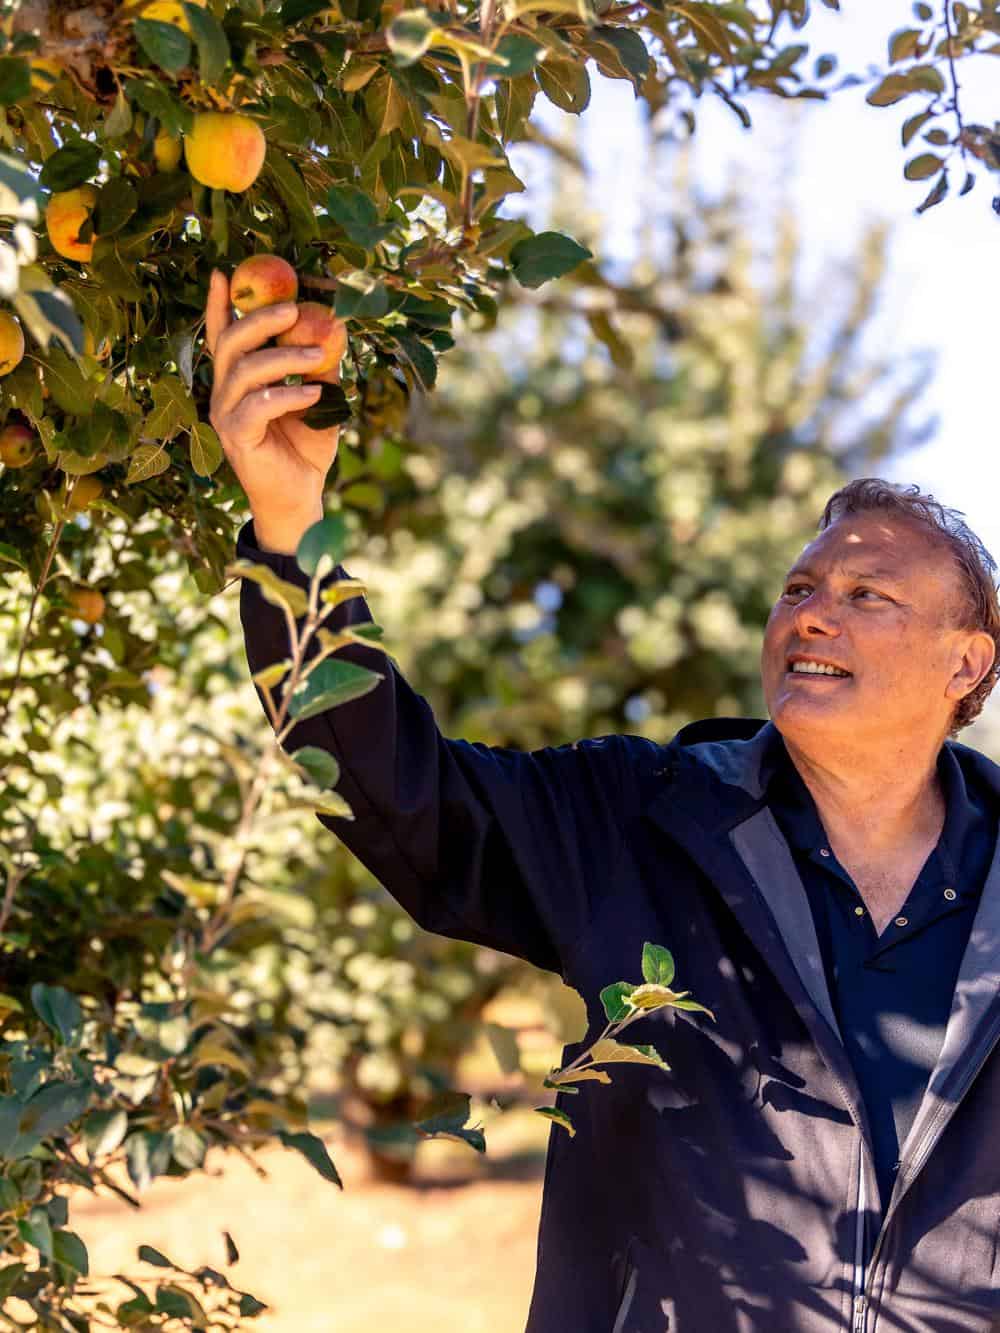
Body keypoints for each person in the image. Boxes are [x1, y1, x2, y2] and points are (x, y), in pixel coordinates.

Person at [204, 270, 1000, 1332]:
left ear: (964, 664)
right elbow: (403, 791)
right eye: (798, 590)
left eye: (867, 598)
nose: (812, 617)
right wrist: (290, 529)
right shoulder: (639, 818)